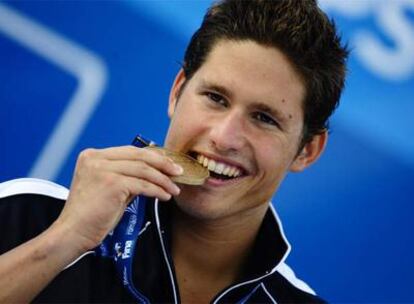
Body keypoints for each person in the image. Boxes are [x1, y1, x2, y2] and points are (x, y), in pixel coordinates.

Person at [0, 0, 348, 303]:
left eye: (264, 118)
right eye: (215, 98)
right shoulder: (30, 216)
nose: (225, 137)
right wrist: (63, 241)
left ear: (307, 150)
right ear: (177, 92)